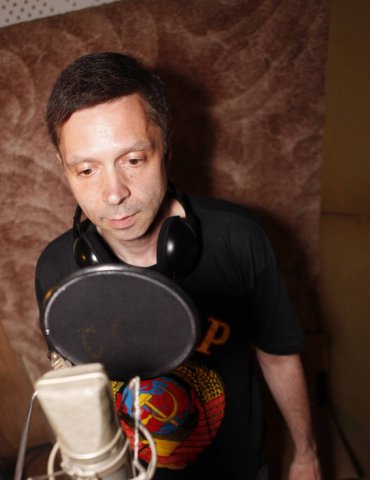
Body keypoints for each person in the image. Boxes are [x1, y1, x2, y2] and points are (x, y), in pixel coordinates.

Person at [35, 52, 321, 479]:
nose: (113, 193)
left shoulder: (239, 239)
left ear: (165, 149)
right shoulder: (56, 269)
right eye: (86, 169)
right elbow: (77, 390)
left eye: (133, 160)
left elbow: (278, 357)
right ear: (63, 168)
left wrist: (306, 454)